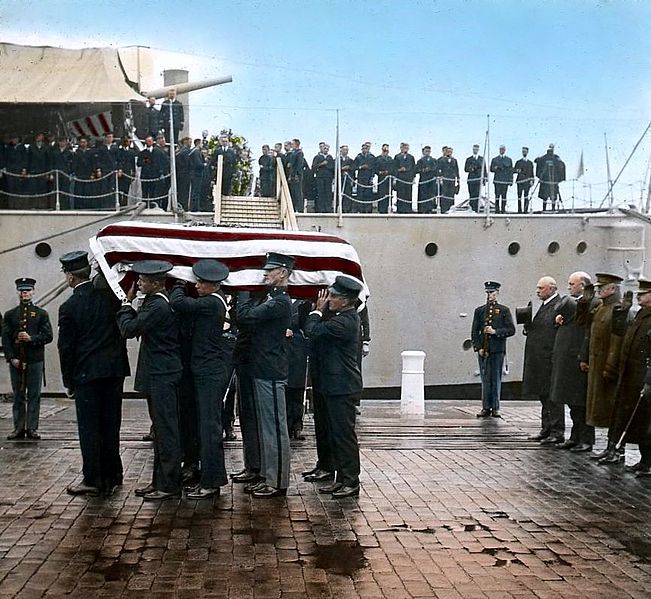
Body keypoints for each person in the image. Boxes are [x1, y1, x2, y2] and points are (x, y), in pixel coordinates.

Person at [57, 251, 129, 496]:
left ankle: (93, 479)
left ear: (70, 278)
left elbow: (66, 348)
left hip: (87, 374)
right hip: (113, 372)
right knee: (111, 424)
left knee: (90, 428)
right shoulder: (110, 299)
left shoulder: (69, 307)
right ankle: (114, 474)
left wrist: (68, 381)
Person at [116, 260, 182, 501]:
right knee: (161, 432)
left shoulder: (158, 307)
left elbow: (128, 329)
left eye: (142, 281)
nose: (138, 283)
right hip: (160, 373)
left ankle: (169, 485)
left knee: (166, 431)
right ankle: (159, 481)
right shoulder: (156, 302)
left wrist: (125, 303)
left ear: (155, 283)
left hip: (162, 375)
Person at [169, 259, 231, 499]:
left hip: (209, 373)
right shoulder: (213, 301)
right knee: (206, 427)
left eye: (200, 282)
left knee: (209, 428)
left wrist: (178, 282)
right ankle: (209, 479)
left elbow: (178, 302)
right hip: (206, 371)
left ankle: (212, 482)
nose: (196, 286)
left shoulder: (211, 303)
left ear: (213, 285)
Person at [236, 252, 293, 497]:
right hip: (263, 368)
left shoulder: (280, 302)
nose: (265, 273)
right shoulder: (271, 298)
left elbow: (245, 316)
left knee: (274, 429)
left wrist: (243, 292)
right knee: (266, 427)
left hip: (270, 370)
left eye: (271, 270)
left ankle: (277, 482)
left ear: (283, 273)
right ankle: (267, 476)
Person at [304, 276, 364, 498]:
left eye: (334, 296)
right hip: (331, 385)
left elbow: (312, 329)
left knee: (343, 435)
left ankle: (351, 480)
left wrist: (317, 311)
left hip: (341, 387)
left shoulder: (345, 322)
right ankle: (338, 476)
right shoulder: (341, 316)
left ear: (347, 301)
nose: (329, 299)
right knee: (331, 432)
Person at [579, 273, 624, 462]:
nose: (598, 291)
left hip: (606, 368)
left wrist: (610, 367)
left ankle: (615, 448)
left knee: (611, 409)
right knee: (598, 408)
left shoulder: (618, 310)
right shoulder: (600, 308)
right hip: (596, 366)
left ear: (612, 289)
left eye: (601, 288)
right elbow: (586, 329)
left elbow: (617, 341)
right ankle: (609, 447)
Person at [607, 280, 651, 476]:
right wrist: (622, 312)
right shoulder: (640, 315)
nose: (638, 296)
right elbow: (621, 334)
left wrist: (649, 381)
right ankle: (644, 461)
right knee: (638, 422)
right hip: (632, 377)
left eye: (643, 293)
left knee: (646, 422)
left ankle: (647, 462)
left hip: (645, 379)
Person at [2, 277, 53, 440]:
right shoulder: (10, 315)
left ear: (33, 292)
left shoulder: (41, 314)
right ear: (18, 292)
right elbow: (6, 339)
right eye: (22, 291)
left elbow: (48, 336)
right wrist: (11, 358)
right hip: (17, 361)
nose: (25, 294)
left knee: (34, 395)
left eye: (28, 290)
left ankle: (32, 428)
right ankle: (18, 428)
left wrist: (31, 338)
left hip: (35, 360)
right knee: (18, 395)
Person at [550, 272, 594, 452]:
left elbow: (587, 332)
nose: (568, 287)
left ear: (582, 285)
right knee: (573, 402)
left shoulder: (590, 303)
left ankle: (586, 439)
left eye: (572, 284)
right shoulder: (578, 304)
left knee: (580, 402)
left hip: (577, 359)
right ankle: (575, 436)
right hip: (568, 359)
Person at [522, 276, 563, 444]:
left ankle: (556, 431)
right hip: (540, 359)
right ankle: (546, 429)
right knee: (544, 396)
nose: (537, 291)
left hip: (548, 360)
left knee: (552, 397)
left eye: (541, 288)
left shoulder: (558, 306)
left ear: (551, 289)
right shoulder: (545, 305)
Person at [471, 281, 515, 418]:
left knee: (496, 379)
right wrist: (478, 348)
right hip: (484, 350)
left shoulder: (503, 310)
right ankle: (485, 407)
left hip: (497, 350)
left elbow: (511, 329)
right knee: (485, 379)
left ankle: (495, 407)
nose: (490, 295)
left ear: (497, 293)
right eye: (488, 292)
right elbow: (474, 331)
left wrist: (495, 331)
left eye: (492, 292)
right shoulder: (480, 311)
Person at [286, 299, 310, 440]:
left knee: (298, 389)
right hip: (285, 349)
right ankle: (289, 424)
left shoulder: (304, 303)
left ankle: (297, 424)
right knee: (287, 388)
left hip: (299, 350)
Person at [535, 143, 566, 211]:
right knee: (544, 196)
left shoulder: (556, 158)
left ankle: (553, 208)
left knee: (554, 196)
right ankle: (544, 209)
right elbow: (537, 161)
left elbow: (561, 165)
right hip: (546, 180)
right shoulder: (544, 157)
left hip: (554, 180)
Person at [137, 136, 165, 205]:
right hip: (145, 176)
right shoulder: (142, 153)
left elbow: (161, 163)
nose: (148, 142)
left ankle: (153, 205)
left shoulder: (158, 152)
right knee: (145, 192)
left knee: (153, 192)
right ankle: (144, 206)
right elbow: (138, 163)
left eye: (150, 141)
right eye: (147, 141)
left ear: (153, 142)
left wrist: (161, 172)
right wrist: (145, 162)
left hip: (154, 175)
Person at [26, 133, 51, 209]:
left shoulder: (46, 148)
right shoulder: (31, 147)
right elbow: (28, 160)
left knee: (42, 189)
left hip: (43, 171)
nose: (40, 138)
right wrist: (27, 171)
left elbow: (48, 161)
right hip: (33, 170)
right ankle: (32, 205)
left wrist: (48, 172)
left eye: (41, 136)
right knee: (32, 189)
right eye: (38, 136)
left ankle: (42, 205)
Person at [490, 145, 513, 214]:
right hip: (497, 180)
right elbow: (491, 169)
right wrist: (496, 167)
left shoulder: (509, 160)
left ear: (505, 150)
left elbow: (510, 171)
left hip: (505, 181)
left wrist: (511, 180)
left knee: (504, 196)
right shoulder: (495, 159)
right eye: (500, 149)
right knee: (497, 196)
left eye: (503, 149)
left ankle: (503, 209)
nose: (502, 150)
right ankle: (497, 210)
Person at [312, 142, 334, 213]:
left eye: (327, 149)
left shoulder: (330, 157)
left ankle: (328, 208)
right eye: (324, 148)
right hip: (320, 177)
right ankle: (320, 209)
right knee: (320, 193)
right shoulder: (317, 157)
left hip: (328, 177)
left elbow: (332, 167)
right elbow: (314, 167)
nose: (326, 150)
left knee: (328, 193)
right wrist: (321, 164)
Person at [437, 146, 459, 213]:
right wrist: (440, 177)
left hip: (452, 179)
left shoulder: (454, 160)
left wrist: (458, 179)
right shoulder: (441, 160)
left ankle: (451, 208)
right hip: (444, 179)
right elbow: (438, 169)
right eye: (448, 152)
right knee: (444, 194)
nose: (449, 153)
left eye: (450, 152)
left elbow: (456, 170)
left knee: (451, 194)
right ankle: (444, 209)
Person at [354, 142, 375, 214]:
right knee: (360, 194)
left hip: (368, 177)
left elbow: (373, 168)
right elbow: (354, 167)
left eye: (366, 148)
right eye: (363, 148)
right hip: (361, 177)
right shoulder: (358, 157)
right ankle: (360, 209)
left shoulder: (371, 157)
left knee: (368, 194)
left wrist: (372, 177)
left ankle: (368, 210)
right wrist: (361, 167)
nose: (364, 150)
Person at [394, 142, 415, 214]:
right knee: (400, 193)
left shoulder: (411, 157)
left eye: (407, 147)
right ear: (401, 148)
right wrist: (399, 170)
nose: (405, 149)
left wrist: (413, 178)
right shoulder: (397, 157)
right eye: (404, 147)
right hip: (400, 178)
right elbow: (394, 167)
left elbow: (413, 168)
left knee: (408, 193)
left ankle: (408, 209)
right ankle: (400, 209)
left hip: (408, 178)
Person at [415, 146, 437, 214]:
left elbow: (436, 169)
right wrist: (423, 170)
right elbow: (416, 170)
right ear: (423, 152)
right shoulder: (420, 161)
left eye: (428, 151)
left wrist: (430, 169)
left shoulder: (433, 160)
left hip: (431, 180)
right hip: (423, 179)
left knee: (431, 194)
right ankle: (422, 209)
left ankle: (430, 208)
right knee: (423, 194)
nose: (427, 153)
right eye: (426, 151)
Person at [116, 137, 136, 206]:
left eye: (128, 141)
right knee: (119, 189)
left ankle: (124, 204)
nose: (126, 143)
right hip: (120, 172)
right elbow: (118, 161)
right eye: (125, 141)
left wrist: (134, 173)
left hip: (127, 172)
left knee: (126, 190)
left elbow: (133, 163)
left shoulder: (132, 152)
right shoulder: (119, 151)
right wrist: (119, 169)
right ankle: (119, 203)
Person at [513, 147, 534, 214]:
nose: (524, 153)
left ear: (527, 152)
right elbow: (514, 170)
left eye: (525, 151)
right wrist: (517, 170)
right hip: (520, 181)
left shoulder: (530, 163)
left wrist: (532, 181)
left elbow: (532, 173)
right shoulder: (518, 162)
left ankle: (525, 210)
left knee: (526, 196)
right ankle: (519, 210)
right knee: (519, 196)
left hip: (527, 182)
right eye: (523, 151)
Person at [286, 139, 305, 212]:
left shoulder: (299, 153)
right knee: (293, 192)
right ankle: (293, 208)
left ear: (296, 144)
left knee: (298, 192)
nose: (291, 145)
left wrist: (297, 174)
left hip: (297, 175)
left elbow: (299, 164)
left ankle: (300, 209)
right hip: (292, 174)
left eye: (293, 144)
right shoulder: (293, 153)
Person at [464, 144, 484, 213]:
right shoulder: (469, 159)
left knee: (477, 194)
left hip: (478, 179)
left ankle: (476, 209)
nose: (475, 150)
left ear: (478, 150)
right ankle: (472, 209)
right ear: (472, 150)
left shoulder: (481, 159)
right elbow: (466, 169)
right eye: (474, 149)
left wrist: (484, 179)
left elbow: (484, 169)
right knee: (471, 194)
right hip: (471, 179)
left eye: (476, 149)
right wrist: (471, 168)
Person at [375, 144, 394, 214]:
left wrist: (388, 172)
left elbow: (393, 169)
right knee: (381, 194)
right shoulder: (378, 159)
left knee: (388, 193)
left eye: (387, 150)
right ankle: (381, 210)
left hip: (388, 179)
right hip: (381, 179)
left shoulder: (391, 159)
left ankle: (388, 208)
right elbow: (375, 169)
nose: (386, 152)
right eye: (384, 150)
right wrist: (380, 172)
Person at [175, 137, 192, 210]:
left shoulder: (179, 151)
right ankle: (183, 206)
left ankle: (179, 204)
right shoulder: (186, 151)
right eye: (190, 142)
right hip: (185, 173)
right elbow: (188, 162)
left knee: (180, 191)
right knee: (184, 191)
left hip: (179, 173)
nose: (190, 144)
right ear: (185, 142)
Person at [339, 145, 355, 213]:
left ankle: (348, 209)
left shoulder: (350, 160)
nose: (345, 151)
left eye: (346, 150)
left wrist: (352, 180)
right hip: (340, 180)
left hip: (348, 179)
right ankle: (340, 208)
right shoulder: (338, 160)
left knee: (348, 194)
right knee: (340, 194)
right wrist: (342, 169)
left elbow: (353, 169)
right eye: (344, 150)